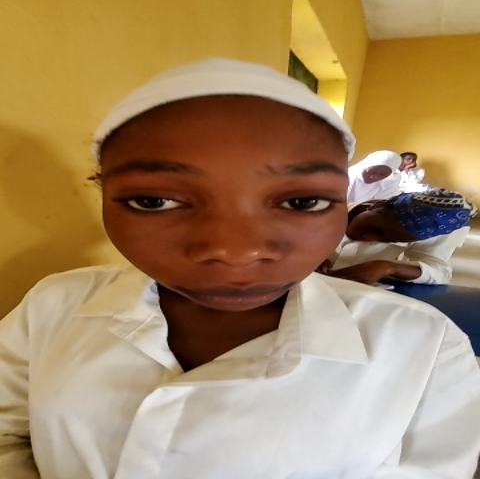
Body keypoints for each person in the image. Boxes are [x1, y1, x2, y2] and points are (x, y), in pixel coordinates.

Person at [0, 58, 479, 479]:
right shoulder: (53, 306)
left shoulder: (425, 348)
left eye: (303, 201)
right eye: (154, 200)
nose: (234, 252)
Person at [328, 188, 476, 285]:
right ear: (377, 205)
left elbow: (440, 272)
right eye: (375, 229)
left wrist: (387, 267)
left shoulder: (426, 232)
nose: (369, 238)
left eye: (389, 240)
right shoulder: (326, 211)